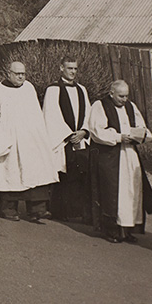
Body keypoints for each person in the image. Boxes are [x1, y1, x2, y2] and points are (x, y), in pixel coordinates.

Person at [0, 62, 60, 222]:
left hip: (30, 140)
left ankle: (37, 209)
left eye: (23, 73)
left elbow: (36, 113)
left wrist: (40, 137)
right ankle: (8, 209)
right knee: (10, 172)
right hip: (9, 141)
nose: (21, 77)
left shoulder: (29, 88)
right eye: (17, 74)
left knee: (37, 170)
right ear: (8, 73)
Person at [90, 80, 152, 243]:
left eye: (126, 96)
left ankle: (128, 229)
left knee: (132, 191)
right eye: (121, 96)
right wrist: (118, 137)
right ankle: (111, 230)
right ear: (111, 93)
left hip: (129, 154)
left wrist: (141, 136)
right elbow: (96, 131)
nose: (124, 100)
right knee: (113, 192)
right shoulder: (100, 106)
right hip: (110, 155)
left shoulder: (131, 107)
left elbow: (143, 127)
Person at [42, 57, 94, 224]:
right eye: (69, 68)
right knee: (64, 174)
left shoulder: (82, 89)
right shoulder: (53, 89)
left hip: (80, 138)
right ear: (61, 68)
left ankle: (78, 212)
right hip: (63, 140)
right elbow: (51, 115)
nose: (72, 72)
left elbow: (89, 113)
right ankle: (60, 211)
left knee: (81, 172)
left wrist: (84, 131)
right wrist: (69, 135)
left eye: (75, 69)